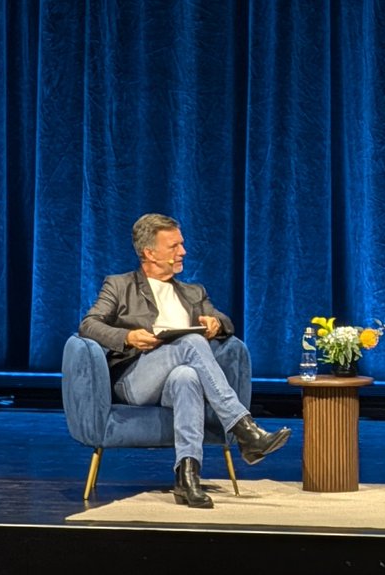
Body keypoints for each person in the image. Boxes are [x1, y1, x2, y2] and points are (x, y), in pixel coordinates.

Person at [79, 213, 290, 508]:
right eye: (174, 246)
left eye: (182, 245)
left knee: (188, 377)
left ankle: (187, 476)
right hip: (137, 380)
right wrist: (128, 338)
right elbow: (88, 325)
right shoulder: (119, 285)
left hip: (174, 380)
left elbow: (224, 320)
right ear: (149, 253)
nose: (183, 252)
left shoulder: (193, 292)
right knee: (191, 342)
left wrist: (216, 323)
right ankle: (244, 428)